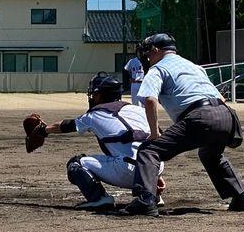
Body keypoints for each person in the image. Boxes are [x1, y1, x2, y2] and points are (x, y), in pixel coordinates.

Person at [119, 33, 244, 217]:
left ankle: (145, 200)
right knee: (210, 154)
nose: (147, 57)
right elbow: (221, 98)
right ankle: (242, 197)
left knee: (149, 150)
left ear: (156, 50)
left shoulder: (158, 68)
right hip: (227, 116)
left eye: (148, 53)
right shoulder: (193, 66)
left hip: (201, 117)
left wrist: (154, 133)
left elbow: (150, 100)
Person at [25, 72, 166, 211]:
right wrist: (155, 173)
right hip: (154, 166)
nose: (92, 97)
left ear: (100, 95)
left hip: (127, 172)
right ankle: (152, 194)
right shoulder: (138, 110)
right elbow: (160, 139)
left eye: (94, 94)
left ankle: (99, 199)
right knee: (140, 147)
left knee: (76, 164)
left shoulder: (95, 114)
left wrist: (44, 130)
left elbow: (66, 125)